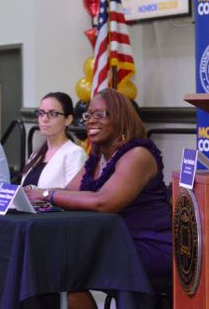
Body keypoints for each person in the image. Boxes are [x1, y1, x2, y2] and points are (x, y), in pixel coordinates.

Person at [25, 88, 172, 309]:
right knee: (48, 267)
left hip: (145, 246)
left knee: (62, 268)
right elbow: (68, 192)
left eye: (100, 114)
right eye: (88, 115)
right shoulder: (97, 158)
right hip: (111, 243)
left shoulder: (138, 155)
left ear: (120, 118)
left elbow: (105, 202)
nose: (91, 121)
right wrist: (30, 195)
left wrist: (46, 194)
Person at [21, 92, 87, 189]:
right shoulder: (36, 155)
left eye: (53, 114)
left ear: (68, 119)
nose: (44, 119)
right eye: (41, 113)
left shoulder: (75, 153)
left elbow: (74, 196)